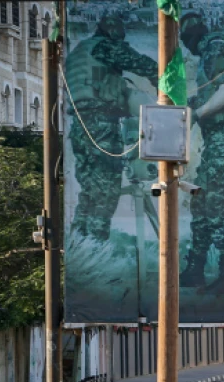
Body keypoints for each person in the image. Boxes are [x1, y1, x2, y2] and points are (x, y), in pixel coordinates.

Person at [68, 12, 158, 242]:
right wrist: (166, 91)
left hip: (80, 125)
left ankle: (81, 244)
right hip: (101, 123)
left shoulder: (81, 51)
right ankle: (97, 247)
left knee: (89, 192)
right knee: (106, 191)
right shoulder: (106, 47)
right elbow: (145, 65)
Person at [179, 11, 224, 291]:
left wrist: (197, 113)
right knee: (201, 201)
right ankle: (195, 268)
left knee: (218, 205)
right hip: (221, 140)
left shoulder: (215, 48)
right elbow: (215, 92)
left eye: (186, 39)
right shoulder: (214, 50)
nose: (186, 45)